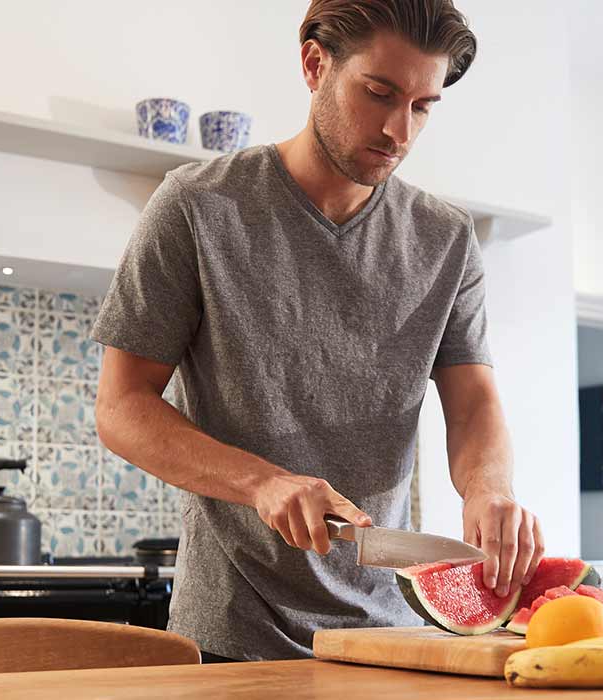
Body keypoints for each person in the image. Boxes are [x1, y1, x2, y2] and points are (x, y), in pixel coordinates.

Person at [90, 0, 543, 663]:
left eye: (422, 106)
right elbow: (119, 408)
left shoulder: (446, 241)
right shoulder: (195, 206)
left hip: (387, 635)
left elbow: (473, 402)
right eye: (379, 92)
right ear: (314, 64)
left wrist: (490, 490)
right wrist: (264, 483)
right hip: (228, 636)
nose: (398, 130)